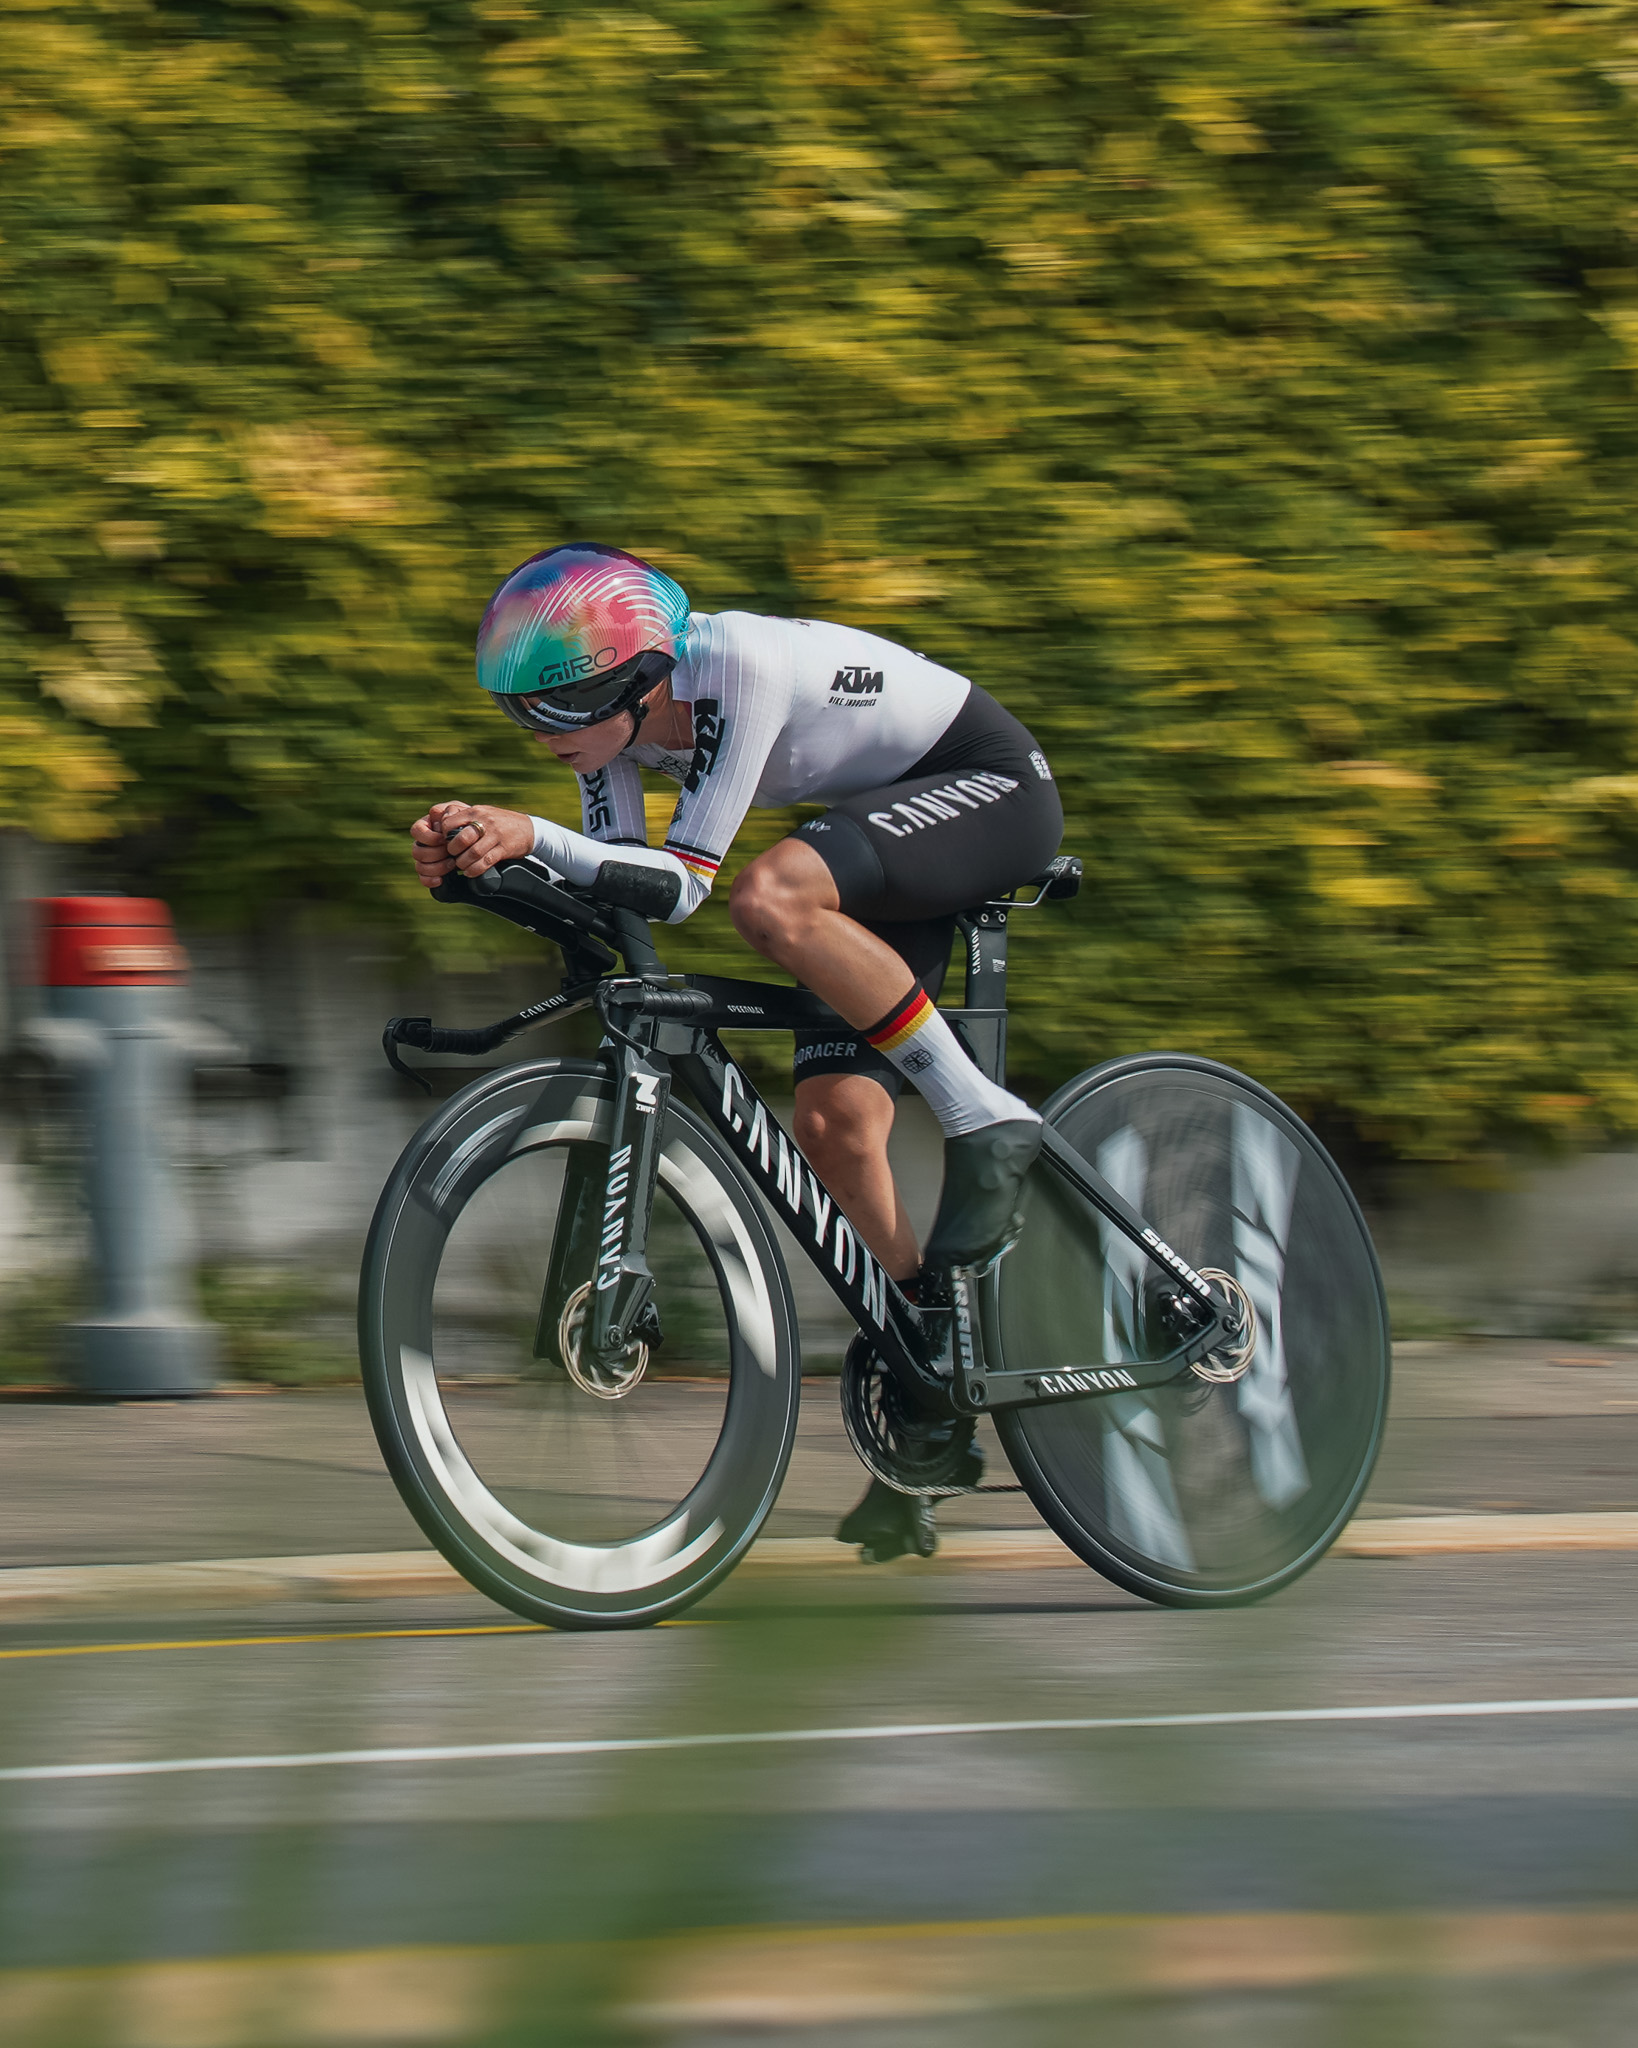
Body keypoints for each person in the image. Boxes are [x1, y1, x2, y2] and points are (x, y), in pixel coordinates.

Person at [410, 542, 1063, 1560]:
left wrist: (529, 831)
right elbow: (618, 883)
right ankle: (932, 1360)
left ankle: (987, 1114)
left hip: (985, 787)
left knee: (773, 895)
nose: (540, 737)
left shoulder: (738, 668)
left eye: (558, 709)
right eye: (520, 713)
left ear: (635, 682)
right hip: (883, 836)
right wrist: (481, 867)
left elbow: (683, 885)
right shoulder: (615, 737)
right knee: (835, 1126)